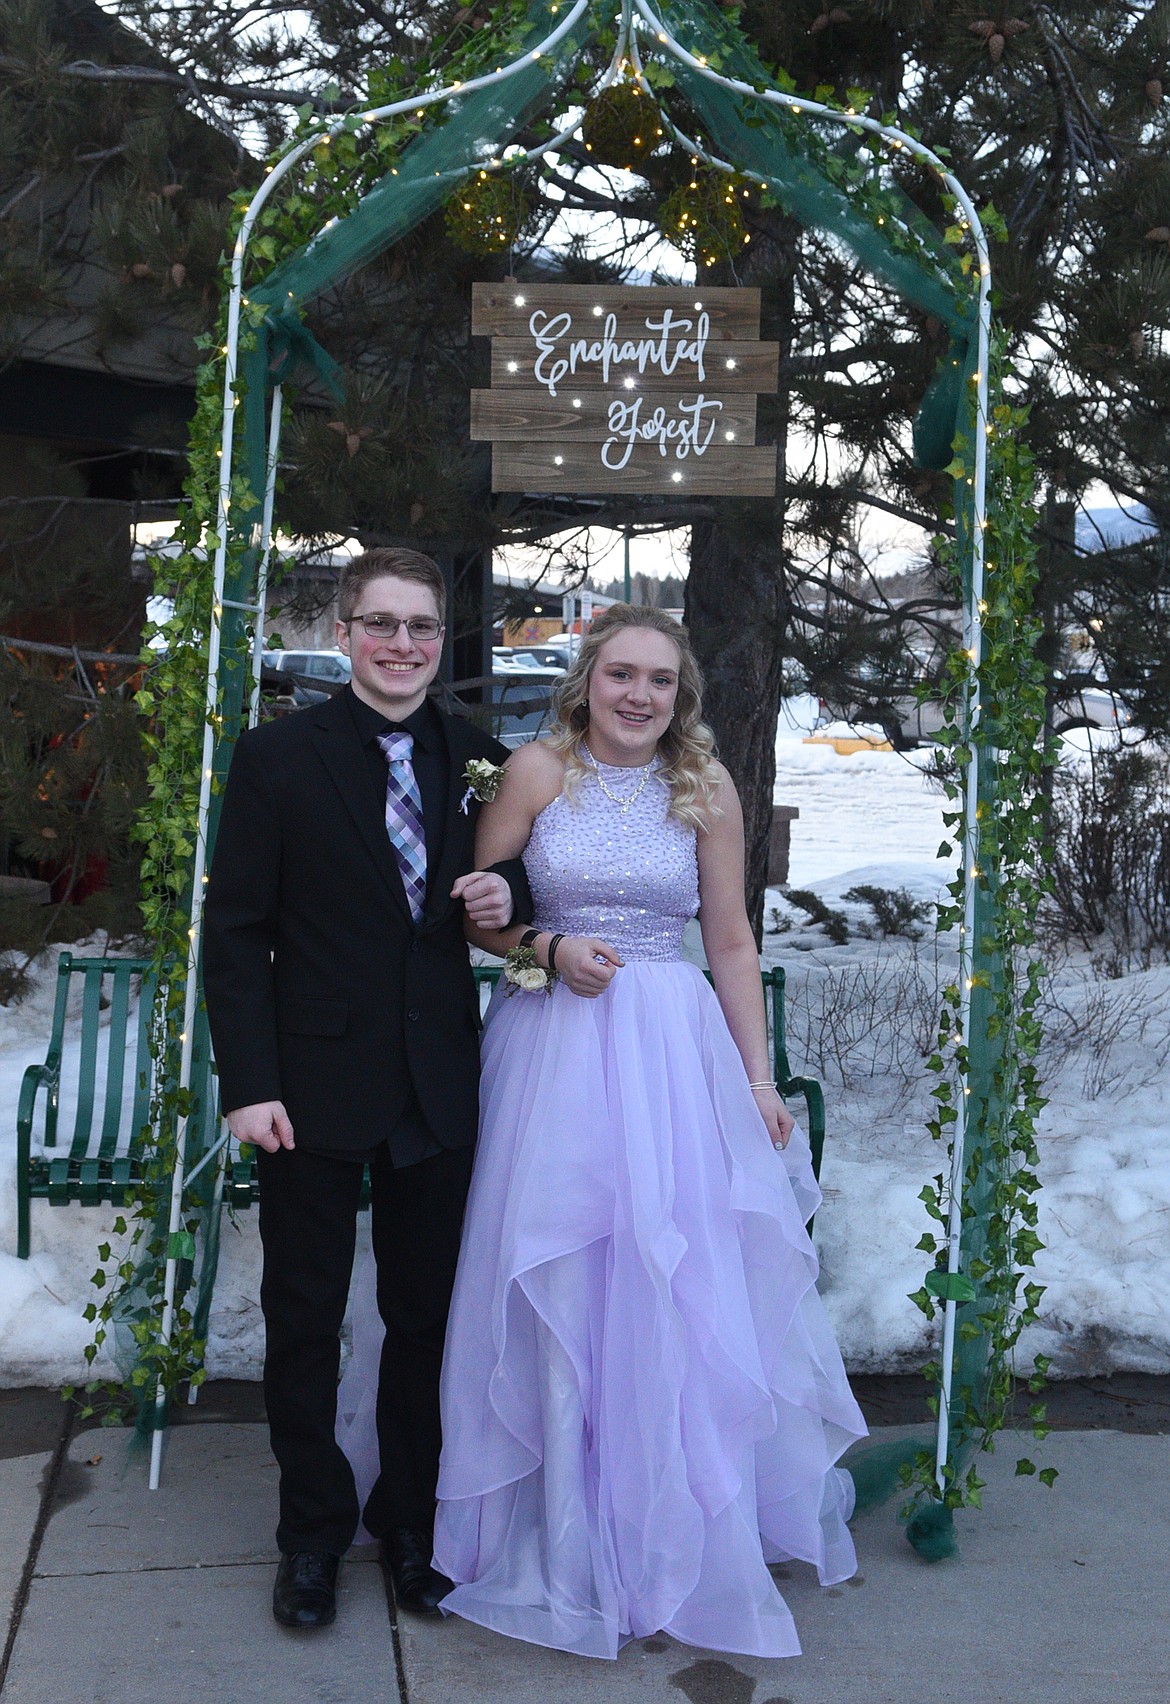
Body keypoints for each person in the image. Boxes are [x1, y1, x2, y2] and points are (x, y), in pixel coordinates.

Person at [432, 604, 868, 1659]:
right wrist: (549, 945)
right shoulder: (537, 771)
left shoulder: (704, 786)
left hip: (673, 1053)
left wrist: (756, 1078)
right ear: (587, 680)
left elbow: (727, 938)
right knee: (564, 1270)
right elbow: (477, 920)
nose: (639, 696)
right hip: (555, 1044)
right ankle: (558, 1527)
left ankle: (671, 1524)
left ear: (682, 696)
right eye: (621, 675)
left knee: (670, 1279)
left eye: (660, 682)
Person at [202, 547, 533, 1631]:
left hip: (436, 1081)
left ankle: (407, 1524)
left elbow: (522, 884)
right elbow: (238, 933)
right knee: (303, 1316)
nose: (402, 646)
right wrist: (248, 1084)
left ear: (445, 640)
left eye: (423, 628)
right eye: (381, 624)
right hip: (306, 1085)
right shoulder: (276, 757)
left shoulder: (481, 758)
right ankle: (309, 1535)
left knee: (424, 1319)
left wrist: (505, 889)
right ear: (344, 631)